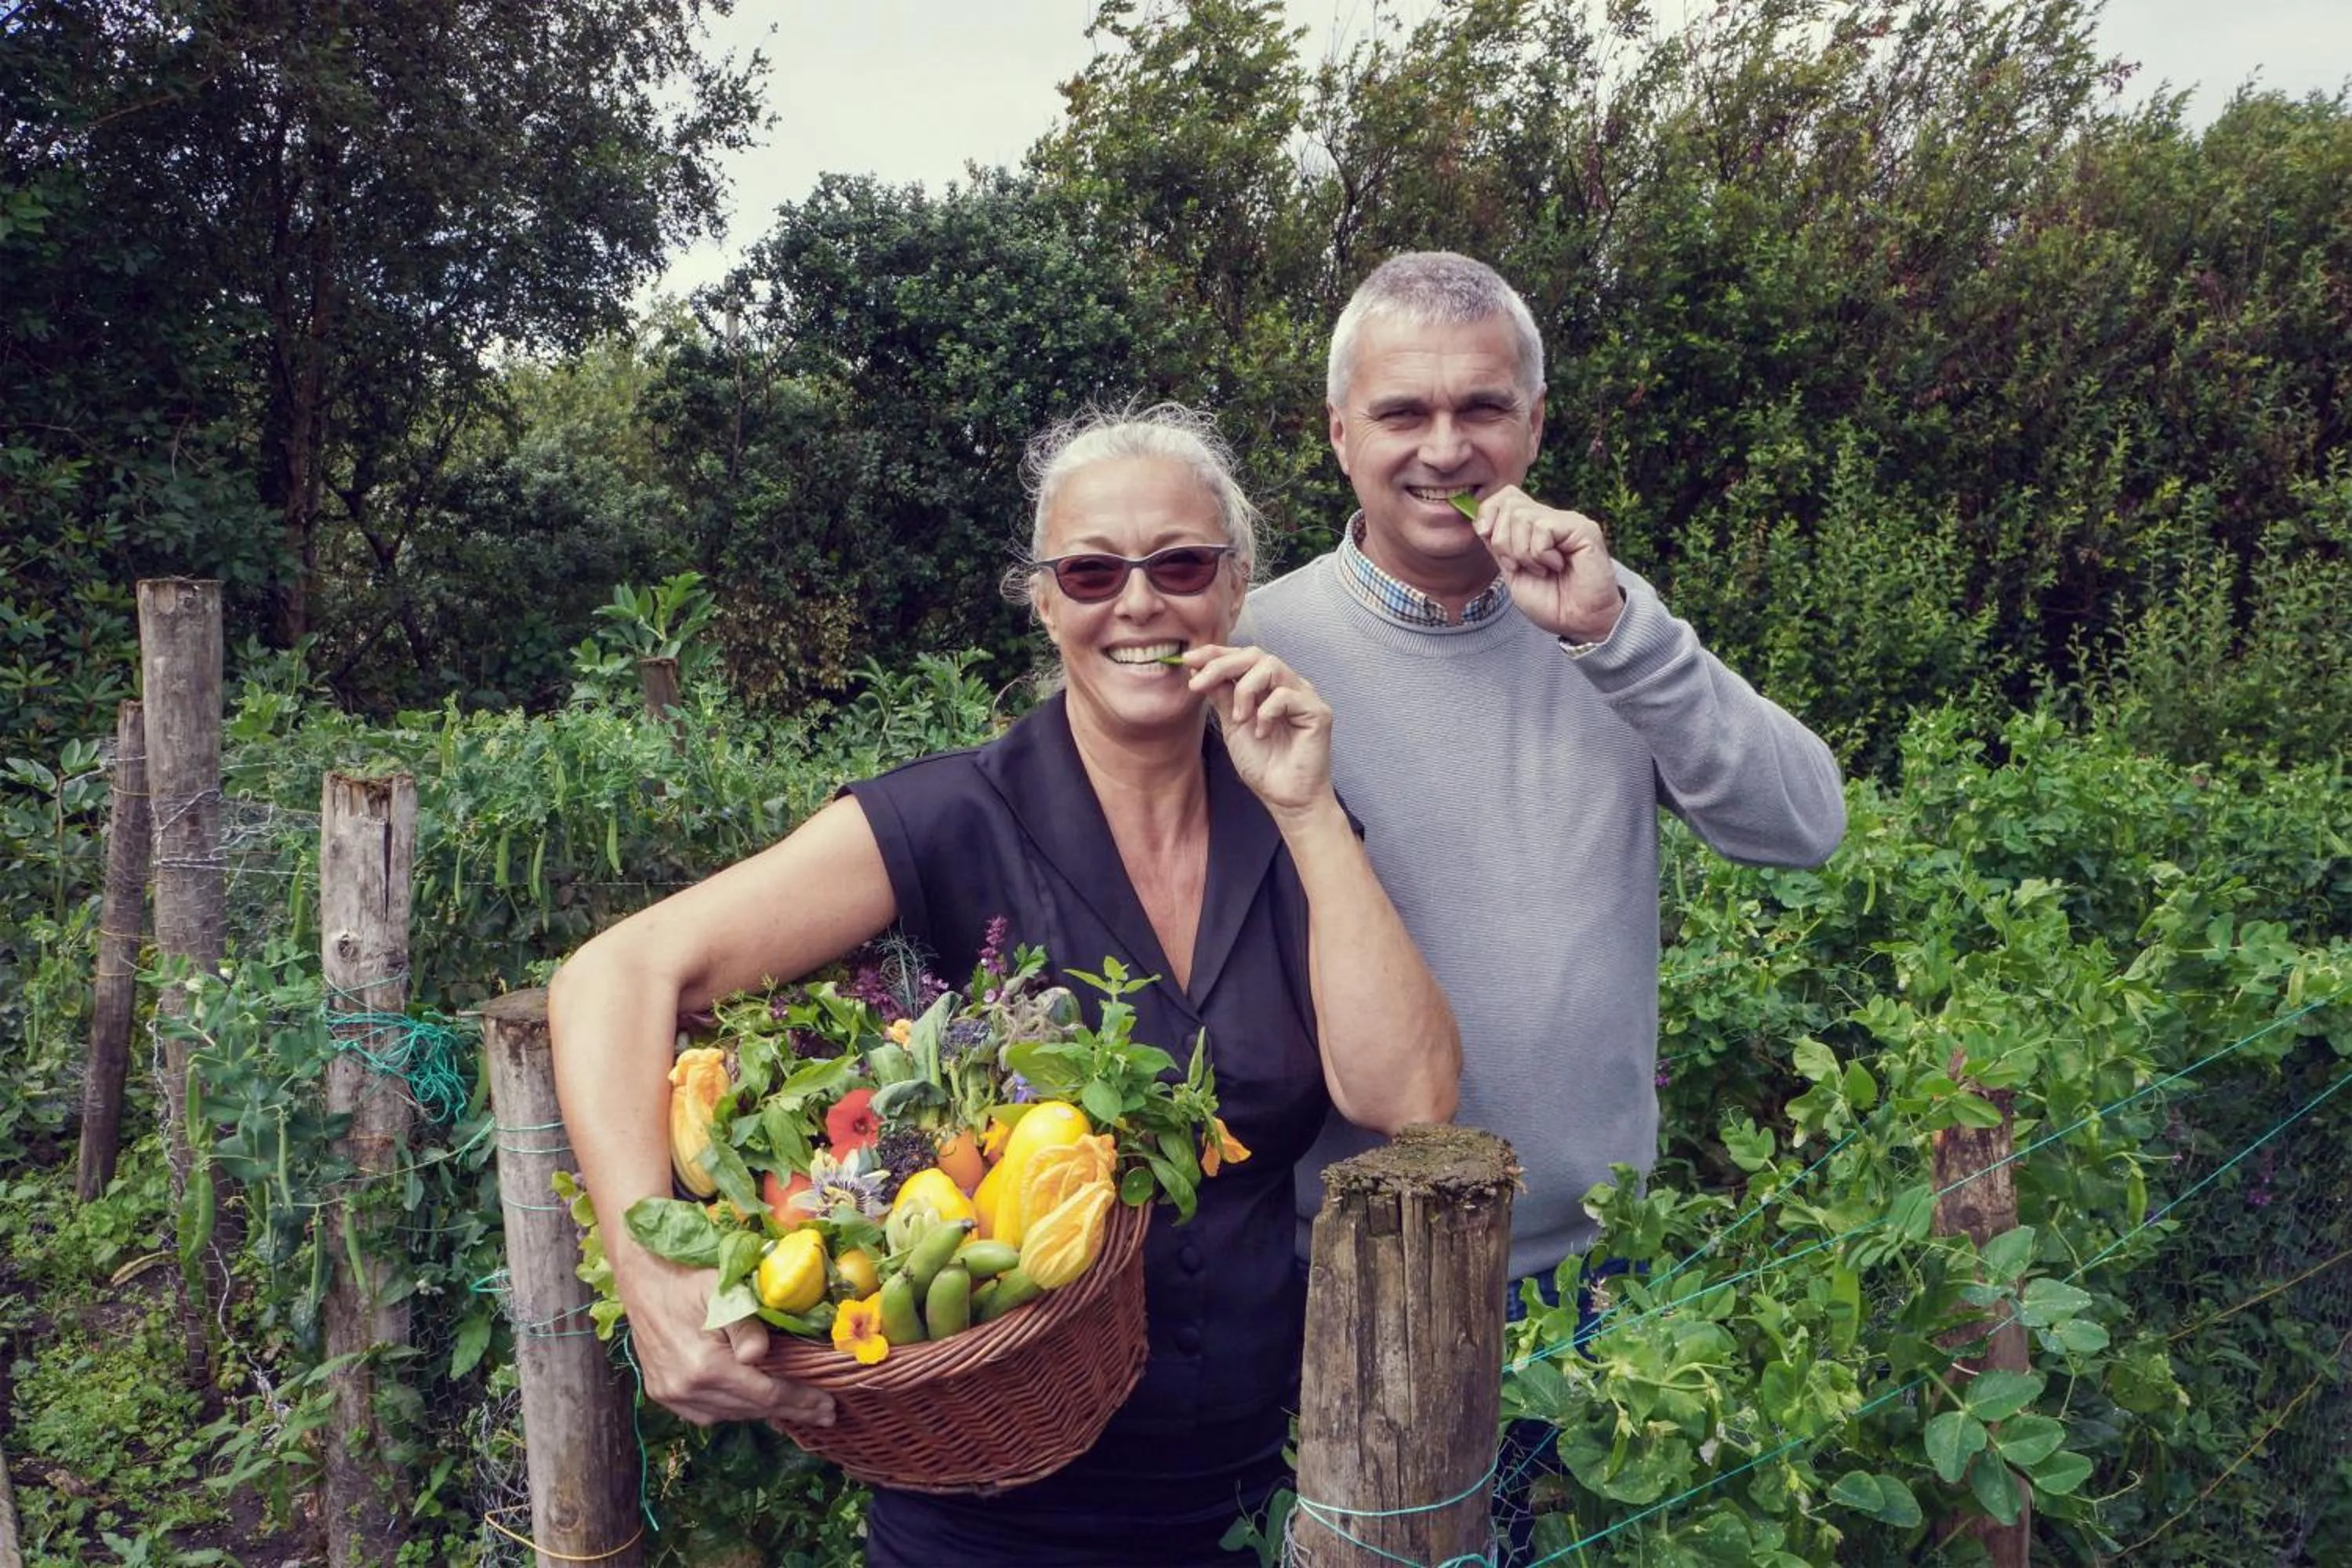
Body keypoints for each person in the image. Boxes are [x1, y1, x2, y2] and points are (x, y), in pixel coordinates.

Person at [547, 403, 1461, 1566]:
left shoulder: (1291, 827)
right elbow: (615, 975)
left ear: (1234, 591)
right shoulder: (944, 817)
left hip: (1263, 1491)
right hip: (980, 1506)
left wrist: (1308, 811)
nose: (1138, 603)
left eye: (1179, 564)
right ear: (1044, 601)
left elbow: (1413, 1097)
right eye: (1090, 572)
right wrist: (651, 1275)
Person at [1240, 249, 1846, 1334]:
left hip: (1598, 1275)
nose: (1445, 446)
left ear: (1535, 426)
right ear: (1340, 434)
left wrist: (1617, 638)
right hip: (1334, 1268)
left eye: (1483, 407)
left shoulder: (1607, 621)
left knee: (1586, 1515)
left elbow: (1804, 827)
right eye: (1401, 412)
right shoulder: (1258, 651)